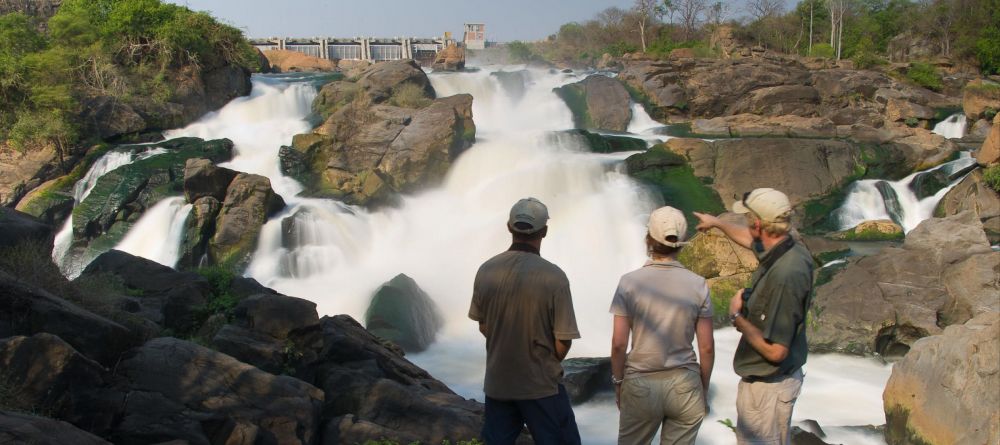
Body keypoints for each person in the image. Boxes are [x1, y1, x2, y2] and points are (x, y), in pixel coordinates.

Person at [693, 188, 814, 445]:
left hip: (768, 389)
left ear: (758, 224)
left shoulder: (786, 276)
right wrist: (717, 224)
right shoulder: (786, 245)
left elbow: (776, 352)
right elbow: (752, 242)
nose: (746, 222)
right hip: (772, 383)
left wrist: (737, 317)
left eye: (748, 218)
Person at [469, 197, 582, 445]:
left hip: (498, 382)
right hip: (540, 386)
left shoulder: (486, 270)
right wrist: (539, 359)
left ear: (509, 227)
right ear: (545, 231)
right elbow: (563, 339)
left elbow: (483, 325)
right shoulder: (554, 277)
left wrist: (508, 345)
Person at [610, 206, 715, 445]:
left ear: (649, 239)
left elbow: (618, 344)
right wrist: (703, 388)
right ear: (682, 241)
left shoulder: (629, 283)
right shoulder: (698, 284)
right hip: (684, 384)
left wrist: (618, 383)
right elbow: (706, 347)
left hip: (640, 383)